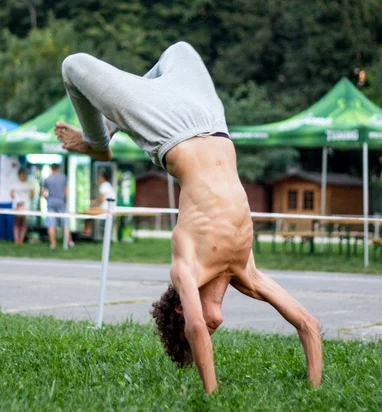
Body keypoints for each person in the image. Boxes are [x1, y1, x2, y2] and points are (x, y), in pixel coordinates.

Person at [55, 41, 322, 393]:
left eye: (209, 332)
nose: (213, 327)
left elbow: (196, 327)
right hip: (211, 119)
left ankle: (98, 142)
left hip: (165, 128)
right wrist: (315, 390)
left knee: (87, 64)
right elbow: (308, 324)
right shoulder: (248, 273)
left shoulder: (186, 267)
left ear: (182, 310)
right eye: (211, 333)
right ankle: (108, 128)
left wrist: (211, 394)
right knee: (164, 52)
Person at [42, 163, 74, 249]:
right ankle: (70, 242)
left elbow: (43, 193)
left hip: (51, 202)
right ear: (58, 168)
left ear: (51, 169)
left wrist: (48, 198)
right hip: (61, 202)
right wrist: (64, 201)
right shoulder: (63, 178)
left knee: (51, 223)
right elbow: (65, 192)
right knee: (65, 223)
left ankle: (53, 244)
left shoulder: (47, 179)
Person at [10, 168, 34, 245]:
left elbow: (32, 194)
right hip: (17, 206)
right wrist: (17, 201)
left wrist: (27, 201)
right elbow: (11, 194)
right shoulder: (15, 184)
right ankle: (16, 240)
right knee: (17, 223)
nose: (22, 176)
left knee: (23, 223)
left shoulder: (28, 184)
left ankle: (21, 240)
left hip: (25, 206)